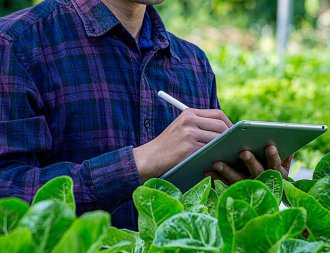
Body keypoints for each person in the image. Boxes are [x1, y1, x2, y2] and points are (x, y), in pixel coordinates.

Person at [0, 0, 292, 230]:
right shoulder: (16, 44)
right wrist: (138, 163)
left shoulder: (192, 63)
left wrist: (246, 183)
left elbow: (204, 208)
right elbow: (7, 192)